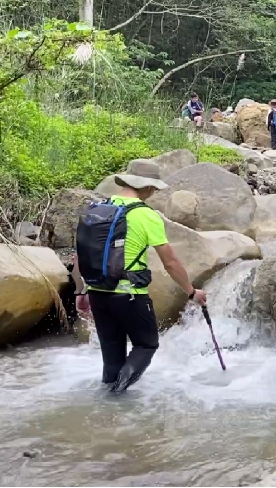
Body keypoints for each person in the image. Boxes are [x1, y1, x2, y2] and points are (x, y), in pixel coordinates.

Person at [73, 161, 208, 393]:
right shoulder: (145, 215)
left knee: (112, 357)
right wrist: (191, 291)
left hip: (97, 293)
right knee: (146, 345)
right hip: (129, 296)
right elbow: (170, 262)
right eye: (154, 188)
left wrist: (81, 290)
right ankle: (118, 395)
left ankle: (107, 409)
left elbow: (80, 254)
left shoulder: (99, 208)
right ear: (146, 187)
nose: (154, 193)